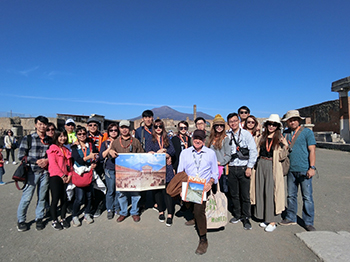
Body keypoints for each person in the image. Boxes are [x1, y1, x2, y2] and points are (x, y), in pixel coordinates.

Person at [177, 129, 219, 255]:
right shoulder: (185, 153)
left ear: (204, 140)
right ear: (192, 138)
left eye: (200, 138)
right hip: (189, 185)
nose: (197, 140)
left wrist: (210, 183)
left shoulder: (210, 153)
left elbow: (215, 172)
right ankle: (194, 218)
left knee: (200, 211)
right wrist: (180, 188)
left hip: (203, 186)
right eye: (196, 138)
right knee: (188, 205)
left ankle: (203, 239)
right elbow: (180, 172)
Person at [280, 110, 317, 231]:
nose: (292, 122)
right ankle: (291, 217)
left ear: (299, 120)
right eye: (290, 120)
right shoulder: (285, 133)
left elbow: (312, 150)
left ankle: (308, 221)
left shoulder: (306, 133)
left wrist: (312, 167)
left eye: (295, 119)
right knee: (291, 195)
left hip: (304, 168)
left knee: (307, 197)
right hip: (291, 169)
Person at [252, 114, 288, 232]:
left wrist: (286, 146)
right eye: (270, 124)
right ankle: (265, 217)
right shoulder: (262, 137)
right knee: (261, 191)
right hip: (261, 165)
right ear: (266, 125)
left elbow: (282, 157)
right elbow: (256, 150)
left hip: (272, 166)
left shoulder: (280, 139)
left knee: (272, 192)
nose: (271, 126)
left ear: (277, 126)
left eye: (274, 124)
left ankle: (273, 220)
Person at [16, 115, 51, 232]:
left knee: (42, 197)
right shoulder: (28, 138)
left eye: (44, 124)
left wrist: (46, 160)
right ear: (36, 125)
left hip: (44, 173)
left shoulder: (49, 140)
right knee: (27, 197)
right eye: (40, 124)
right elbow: (21, 156)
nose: (42, 126)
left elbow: (52, 156)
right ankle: (21, 220)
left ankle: (39, 218)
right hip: (31, 172)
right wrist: (36, 161)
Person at [226, 112, 258, 230]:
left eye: (235, 121)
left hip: (244, 167)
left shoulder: (246, 134)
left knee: (245, 195)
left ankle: (246, 217)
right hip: (232, 167)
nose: (233, 123)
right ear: (228, 123)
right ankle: (237, 214)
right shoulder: (227, 135)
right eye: (231, 122)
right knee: (234, 194)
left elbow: (253, 151)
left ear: (239, 121)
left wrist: (249, 167)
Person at [109, 120, 144, 223]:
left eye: (126, 127)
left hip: (134, 172)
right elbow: (109, 154)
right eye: (122, 127)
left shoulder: (136, 141)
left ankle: (134, 212)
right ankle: (123, 212)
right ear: (119, 129)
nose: (124, 129)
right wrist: (110, 151)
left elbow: (142, 154)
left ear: (129, 129)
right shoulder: (115, 142)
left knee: (135, 193)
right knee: (121, 194)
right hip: (120, 173)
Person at [145, 119, 176, 226]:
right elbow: (147, 150)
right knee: (157, 191)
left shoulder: (167, 138)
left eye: (160, 126)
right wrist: (155, 153)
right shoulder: (150, 139)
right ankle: (161, 211)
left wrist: (166, 153)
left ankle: (170, 213)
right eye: (156, 126)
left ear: (163, 128)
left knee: (168, 191)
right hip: (156, 168)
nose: (158, 128)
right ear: (154, 128)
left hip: (166, 168)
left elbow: (173, 150)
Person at [71, 125, 98, 227]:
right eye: (79, 134)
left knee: (89, 196)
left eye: (83, 133)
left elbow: (96, 154)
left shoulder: (90, 144)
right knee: (79, 197)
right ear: (76, 135)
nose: (82, 135)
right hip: (79, 173)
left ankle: (87, 213)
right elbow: (78, 159)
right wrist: (89, 157)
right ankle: (75, 215)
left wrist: (94, 161)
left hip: (89, 173)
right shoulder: (74, 147)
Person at [46, 129, 73, 230]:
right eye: (60, 136)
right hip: (56, 177)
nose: (63, 138)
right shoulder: (53, 148)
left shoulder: (66, 150)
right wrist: (62, 175)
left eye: (64, 136)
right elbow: (53, 164)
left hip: (65, 177)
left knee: (64, 199)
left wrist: (69, 175)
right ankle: (54, 220)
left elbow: (69, 165)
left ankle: (63, 218)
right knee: (55, 199)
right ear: (56, 137)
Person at [99, 123, 121, 220]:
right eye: (111, 130)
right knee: (111, 190)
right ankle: (109, 209)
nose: (113, 132)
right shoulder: (105, 143)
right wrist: (110, 148)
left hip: (120, 168)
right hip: (110, 169)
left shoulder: (121, 142)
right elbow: (101, 156)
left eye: (115, 130)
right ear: (108, 132)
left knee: (118, 190)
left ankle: (117, 207)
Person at [86, 117, 107, 218]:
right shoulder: (83, 136)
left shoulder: (103, 136)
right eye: (90, 125)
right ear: (87, 126)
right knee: (88, 187)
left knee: (99, 186)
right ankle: (89, 206)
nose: (93, 127)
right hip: (88, 165)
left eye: (95, 125)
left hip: (100, 164)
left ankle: (98, 206)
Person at [207, 114, 231, 192]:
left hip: (221, 169)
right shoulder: (211, 138)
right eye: (217, 125)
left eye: (221, 125)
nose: (219, 127)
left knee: (221, 192)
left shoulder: (226, 139)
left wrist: (220, 162)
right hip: (211, 169)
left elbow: (228, 155)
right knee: (213, 191)